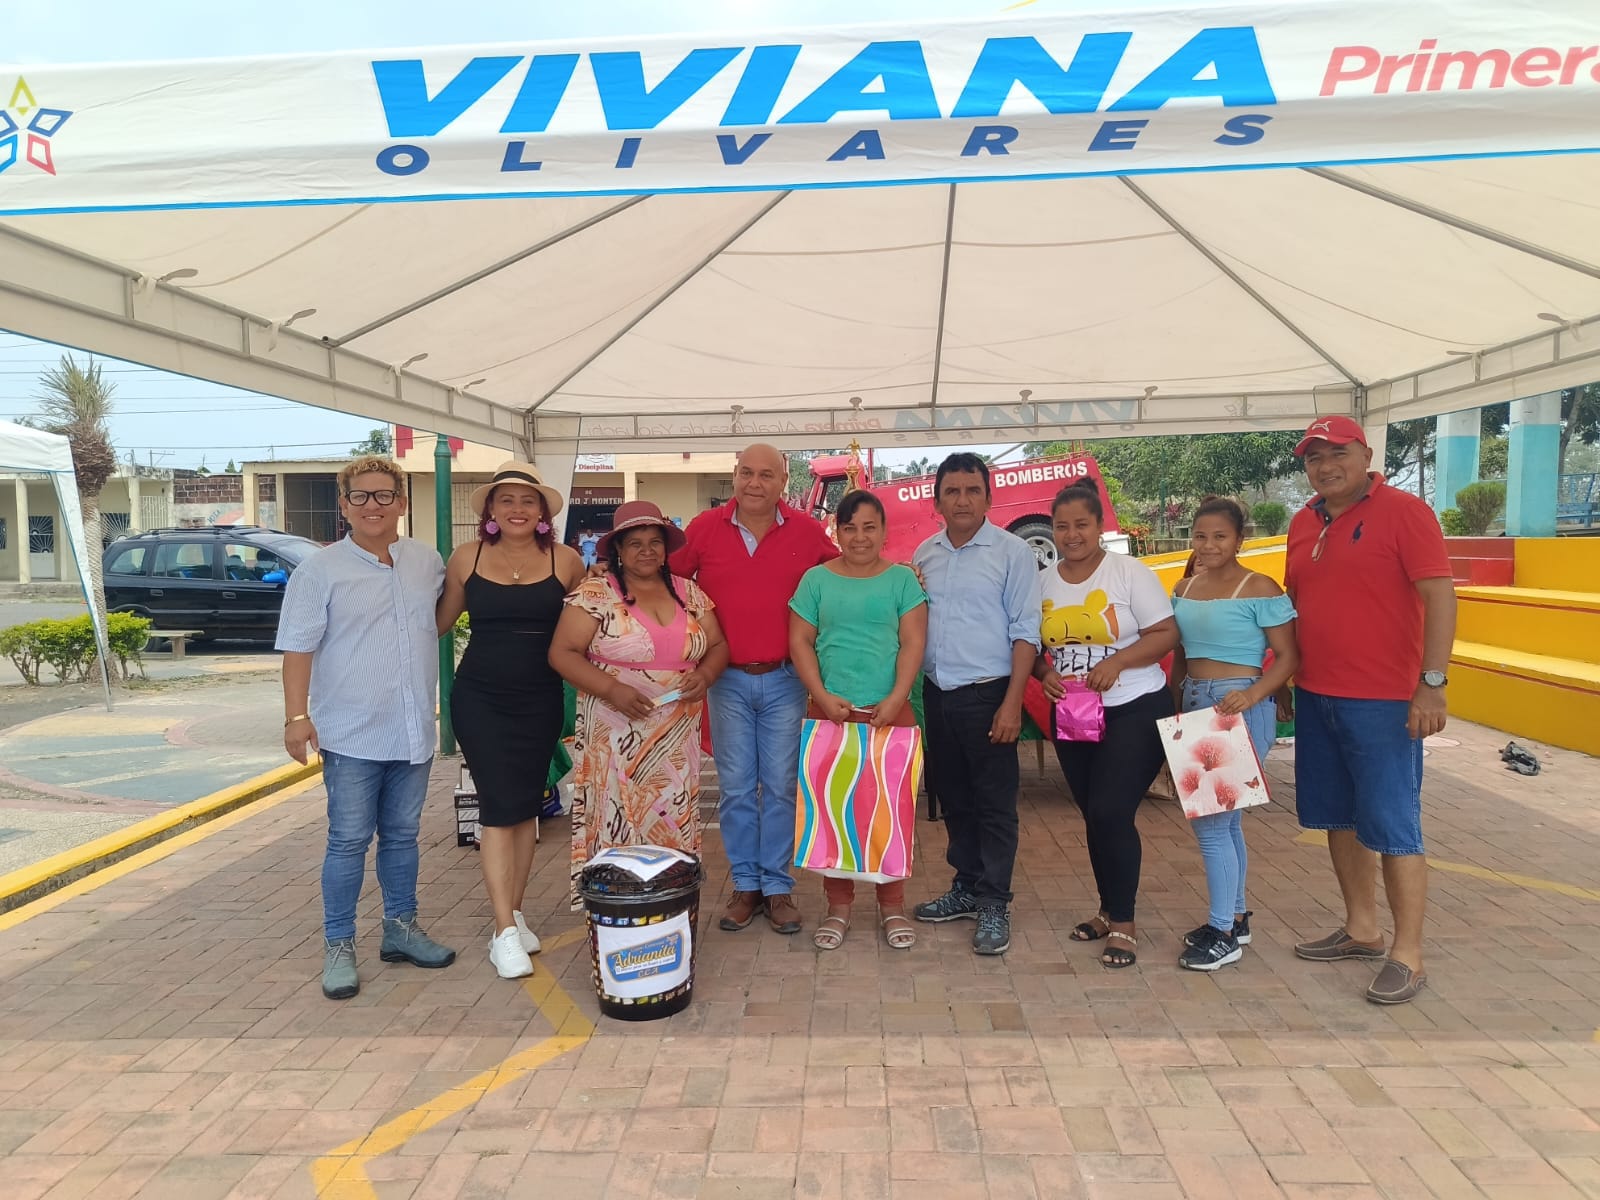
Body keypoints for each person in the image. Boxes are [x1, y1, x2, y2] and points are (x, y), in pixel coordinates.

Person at [1285, 416, 1455, 1005]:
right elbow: (1295, 602)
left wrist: (1432, 684)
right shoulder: (1303, 522)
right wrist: (1284, 677)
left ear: (1365, 454)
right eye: (1314, 457)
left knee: (1394, 827)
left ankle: (1408, 955)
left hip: (1385, 702)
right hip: (1316, 694)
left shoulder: (1406, 512)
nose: (1325, 466)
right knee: (1338, 818)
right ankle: (1362, 929)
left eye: (1337, 453)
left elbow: (1440, 596)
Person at [277, 455, 456, 1001]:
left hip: (411, 730)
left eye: (383, 495)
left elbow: (436, 620)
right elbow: (298, 648)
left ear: (402, 503)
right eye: (360, 496)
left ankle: (400, 929)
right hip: (351, 733)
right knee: (349, 840)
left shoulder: (426, 561)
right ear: (344, 505)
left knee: (402, 836)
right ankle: (338, 945)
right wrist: (296, 718)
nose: (372, 505)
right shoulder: (319, 571)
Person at [669, 444, 839, 935]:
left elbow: (847, 573)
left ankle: (777, 886)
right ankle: (746, 885)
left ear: (784, 481)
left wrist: (898, 574)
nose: (755, 483)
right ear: (734, 475)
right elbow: (665, 580)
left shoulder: (807, 532)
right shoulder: (704, 528)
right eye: (747, 473)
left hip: (787, 679)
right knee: (738, 788)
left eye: (767, 475)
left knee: (782, 787)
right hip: (726, 681)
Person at [436, 461, 585, 980]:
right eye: (507, 500)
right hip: (480, 698)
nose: (517, 509)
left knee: (525, 809)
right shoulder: (466, 557)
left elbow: (588, 628)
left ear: (542, 511)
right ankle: (502, 932)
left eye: (527, 500)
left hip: (541, 698)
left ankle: (514, 913)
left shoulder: (567, 561)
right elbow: (438, 622)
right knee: (499, 809)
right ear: (491, 510)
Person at [551, 502, 728, 901]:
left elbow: (717, 645)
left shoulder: (688, 591)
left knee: (670, 815)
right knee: (617, 813)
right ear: (618, 549)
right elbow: (562, 653)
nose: (646, 551)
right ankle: (617, 906)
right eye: (635, 543)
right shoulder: (596, 593)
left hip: (674, 740)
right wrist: (612, 689)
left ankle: (668, 905)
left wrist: (705, 675)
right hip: (615, 734)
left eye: (654, 542)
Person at [1036, 480, 1178, 969]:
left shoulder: (1128, 573)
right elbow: (1032, 647)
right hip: (1074, 714)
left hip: (1135, 707)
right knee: (1093, 815)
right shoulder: (1043, 581)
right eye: (1062, 526)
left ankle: (1124, 923)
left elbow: (1165, 633)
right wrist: (1045, 674)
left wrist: (1117, 663)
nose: (1071, 534)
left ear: (1099, 526)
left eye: (1082, 524)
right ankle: (1105, 909)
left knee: (1112, 811)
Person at [911, 453, 1041, 956]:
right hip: (938, 694)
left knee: (994, 805)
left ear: (988, 497)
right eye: (952, 491)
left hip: (990, 695)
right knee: (955, 799)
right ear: (937, 500)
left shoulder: (1012, 553)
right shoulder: (924, 554)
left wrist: (1012, 705)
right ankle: (966, 886)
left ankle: (993, 902)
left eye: (972, 490)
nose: (962, 500)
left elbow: (1026, 632)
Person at [788, 490, 928, 951]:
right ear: (837, 532)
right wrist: (821, 695)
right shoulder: (815, 581)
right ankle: (839, 908)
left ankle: (892, 906)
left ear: (884, 531)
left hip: (891, 715)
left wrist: (896, 697)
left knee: (891, 812)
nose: (860, 537)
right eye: (850, 528)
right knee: (833, 813)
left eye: (870, 527)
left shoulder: (902, 581)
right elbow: (800, 642)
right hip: (830, 715)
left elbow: (913, 642)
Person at [1169, 496, 1299, 971]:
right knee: (1225, 822)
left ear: (1240, 539)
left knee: (1211, 825)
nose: (1208, 545)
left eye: (1220, 536)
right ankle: (1235, 918)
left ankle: (1222, 932)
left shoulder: (1259, 587)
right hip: (1196, 700)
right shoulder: (1184, 587)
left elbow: (1288, 656)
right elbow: (1180, 655)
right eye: (1200, 536)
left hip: (1236, 702)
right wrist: (1176, 702)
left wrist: (1254, 694)